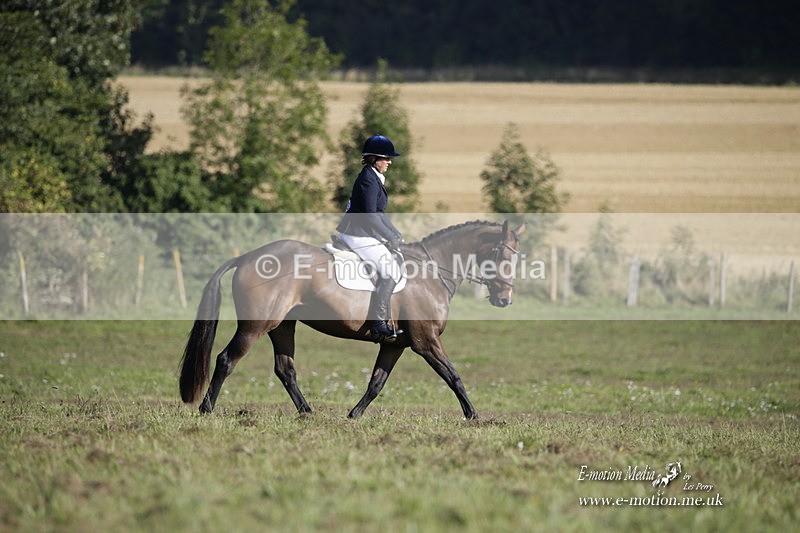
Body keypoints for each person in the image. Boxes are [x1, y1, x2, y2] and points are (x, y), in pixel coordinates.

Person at [337, 134, 405, 341]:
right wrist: (388, 236)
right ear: (375, 159)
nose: (390, 162)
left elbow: (379, 213)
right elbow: (369, 215)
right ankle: (378, 322)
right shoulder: (368, 179)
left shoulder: (373, 177)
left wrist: (394, 233)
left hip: (364, 231)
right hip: (357, 234)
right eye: (386, 158)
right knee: (391, 271)